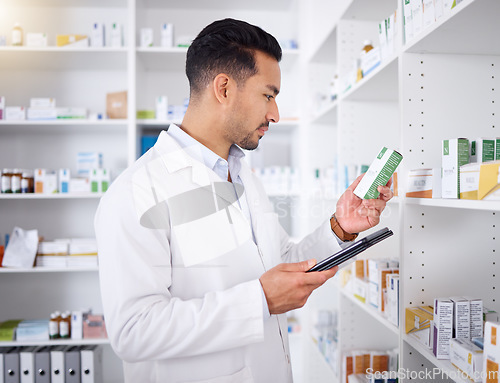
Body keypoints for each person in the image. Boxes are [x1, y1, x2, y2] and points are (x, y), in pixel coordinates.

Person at [94, 18, 393, 383]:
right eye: (268, 95)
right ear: (224, 88)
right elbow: (134, 331)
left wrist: (340, 227)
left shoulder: (244, 176)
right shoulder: (136, 192)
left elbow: (280, 264)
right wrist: (259, 302)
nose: (275, 115)